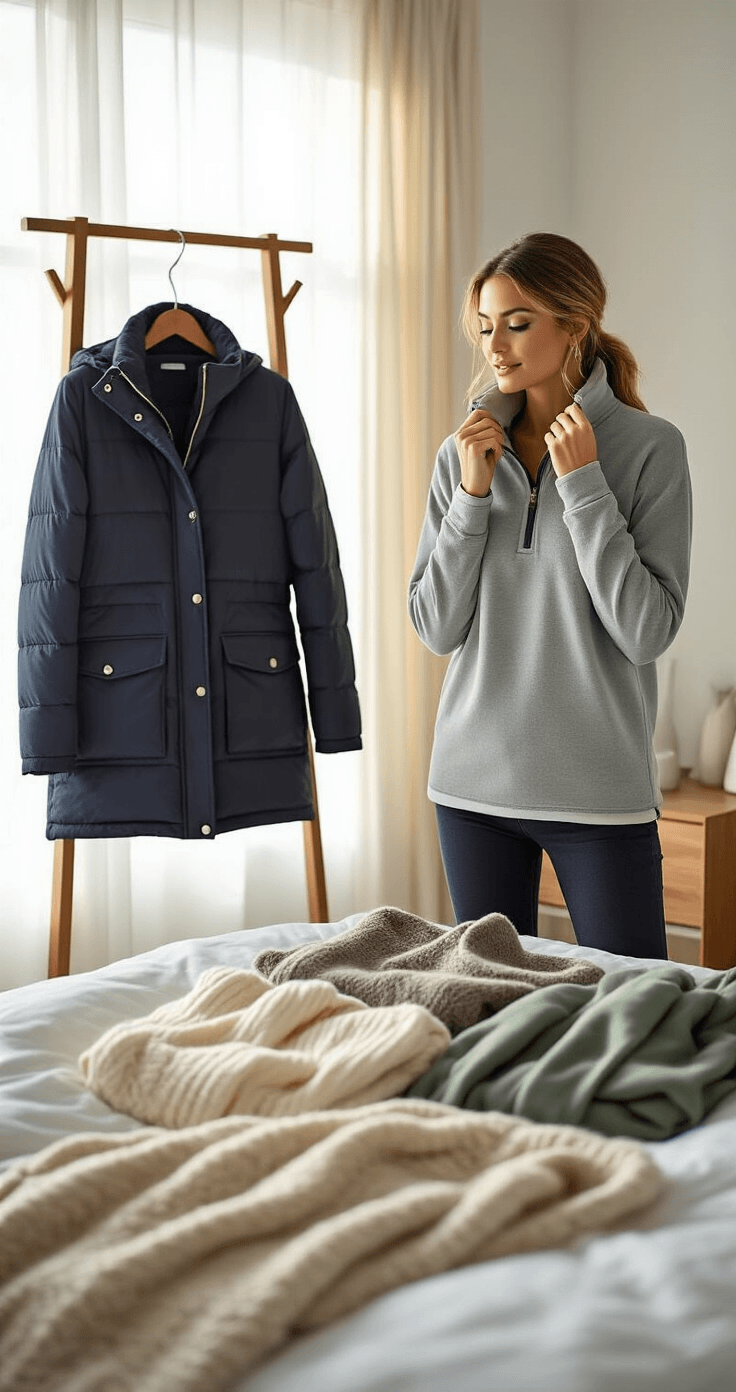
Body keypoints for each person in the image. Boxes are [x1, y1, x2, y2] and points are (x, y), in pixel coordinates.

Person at [408, 232, 692, 958]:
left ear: (576, 325)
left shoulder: (650, 449)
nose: (495, 346)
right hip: (470, 787)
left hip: (599, 791)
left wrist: (584, 485)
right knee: (491, 1006)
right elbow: (437, 627)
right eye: (485, 326)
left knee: (634, 1002)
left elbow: (647, 631)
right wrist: (472, 496)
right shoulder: (462, 452)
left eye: (517, 322)